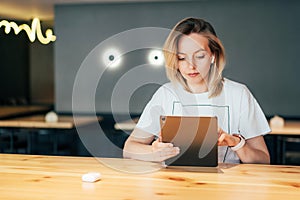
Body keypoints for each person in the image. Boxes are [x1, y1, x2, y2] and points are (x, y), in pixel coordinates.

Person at [123, 17, 270, 164]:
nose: (191, 65)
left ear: (213, 55)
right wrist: (154, 152)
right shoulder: (166, 94)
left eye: (199, 56)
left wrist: (236, 143)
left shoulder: (238, 94)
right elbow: (129, 149)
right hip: (173, 183)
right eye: (181, 58)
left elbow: (263, 160)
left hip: (224, 185)